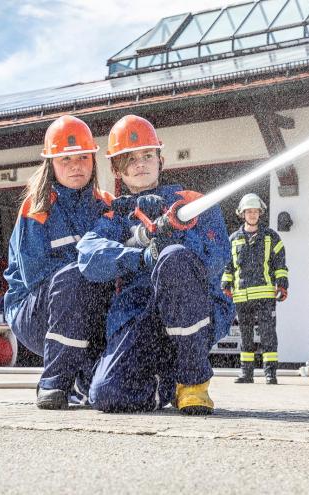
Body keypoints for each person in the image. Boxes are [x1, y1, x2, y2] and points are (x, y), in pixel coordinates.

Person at [77, 115, 235, 415]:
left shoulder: (192, 204)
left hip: (194, 312)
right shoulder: (114, 217)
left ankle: (192, 384)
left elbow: (216, 260)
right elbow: (89, 258)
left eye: (147, 155)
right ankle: (161, 386)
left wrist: (175, 240)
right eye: (130, 159)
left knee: (174, 257)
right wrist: (141, 253)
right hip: (141, 320)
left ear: (160, 159)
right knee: (107, 395)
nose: (140, 164)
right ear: (116, 169)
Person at [4, 115, 114, 409]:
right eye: (65, 159)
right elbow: (36, 274)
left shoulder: (107, 206)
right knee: (75, 279)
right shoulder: (37, 209)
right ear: (51, 164)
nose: (75, 166)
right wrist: (91, 267)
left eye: (82, 157)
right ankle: (54, 382)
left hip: (84, 305)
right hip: (34, 312)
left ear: (93, 160)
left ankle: (88, 376)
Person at [221, 193, 289, 385]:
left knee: (268, 333)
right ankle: (246, 374)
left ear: (260, 213)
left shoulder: (271, 237)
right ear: (242, 214)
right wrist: (226, 284)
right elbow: (228, 266)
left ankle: (270, 374)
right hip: (241, 296)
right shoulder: (233, 239)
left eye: (255, 211)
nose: (252, 214)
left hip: (265, 294)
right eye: (248, 211)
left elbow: (280, 264)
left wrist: (282, 284)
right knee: (246, 335)